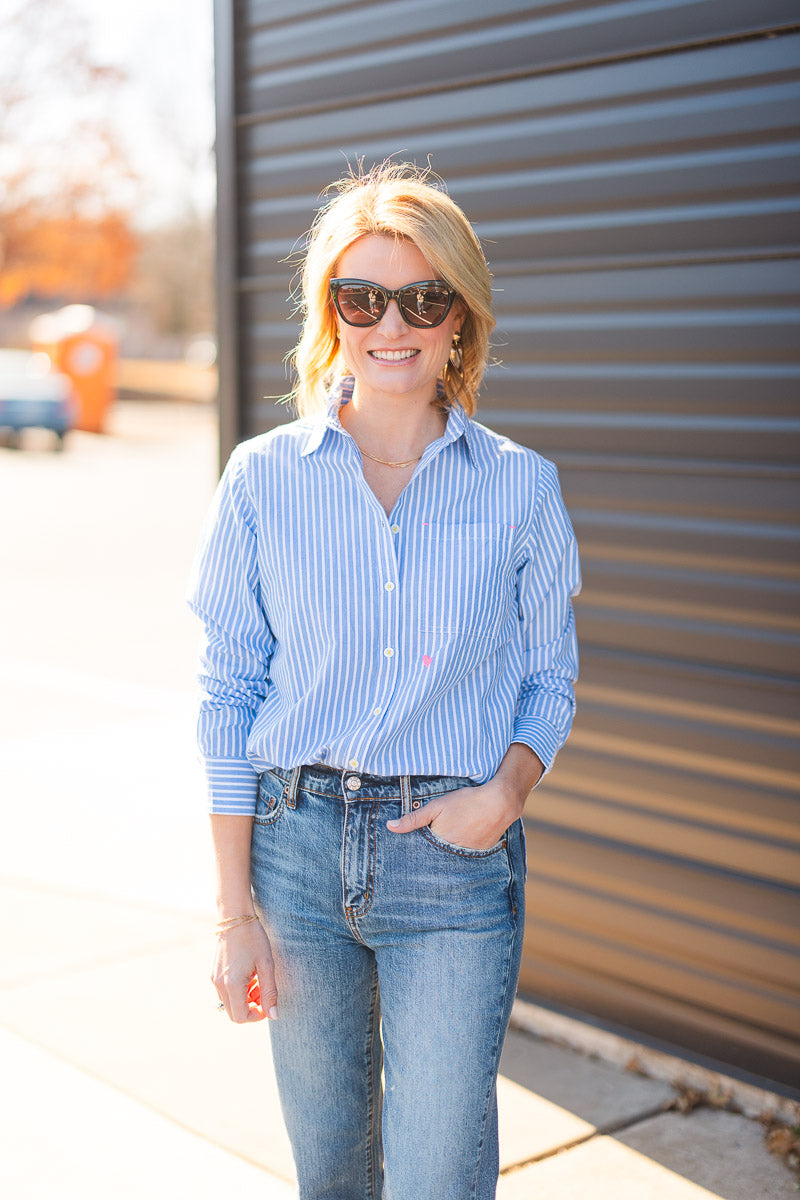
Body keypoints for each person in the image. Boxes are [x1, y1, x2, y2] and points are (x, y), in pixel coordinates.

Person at [187, 161, 581, 1200]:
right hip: (295, 851)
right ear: (330, 313)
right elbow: (227, 695)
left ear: (461, 317)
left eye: (422, 297)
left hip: (448, 865)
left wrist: (503, 795)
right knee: (332, 1173)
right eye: (359, 297)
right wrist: (235, 913)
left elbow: (548, 677)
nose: (390, 324)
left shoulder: (519, 486)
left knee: (439, 1176)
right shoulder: (263, 480)